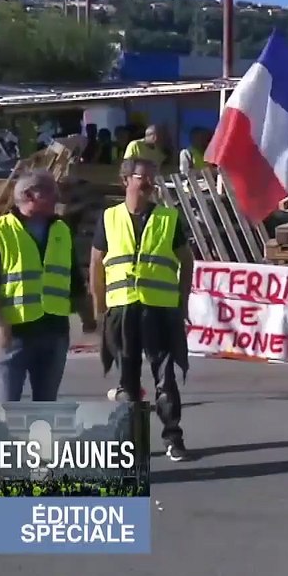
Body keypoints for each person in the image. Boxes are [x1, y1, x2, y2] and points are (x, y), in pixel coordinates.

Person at [89, 158, 193, 461]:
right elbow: (97, 263)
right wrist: (99, 307)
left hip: (159, 308)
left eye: (151, 178)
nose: (148, 183)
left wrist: (182, 301)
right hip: (122, 308)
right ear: (125, 181)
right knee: (128, 380)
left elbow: (186, 261)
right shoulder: (109, 218)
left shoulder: (167, 218)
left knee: (165, 378)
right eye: (142, 177)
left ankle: (173, 438)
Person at [0, 170, 96, 402]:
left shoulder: (62, 230)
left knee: (46, 407)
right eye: (48, 191)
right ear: (28, 195)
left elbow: (74, 280)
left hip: (54, 332)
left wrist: (89, 319)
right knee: (6, 405)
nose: (56, 196)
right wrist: (0, 324)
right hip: (15, 335)